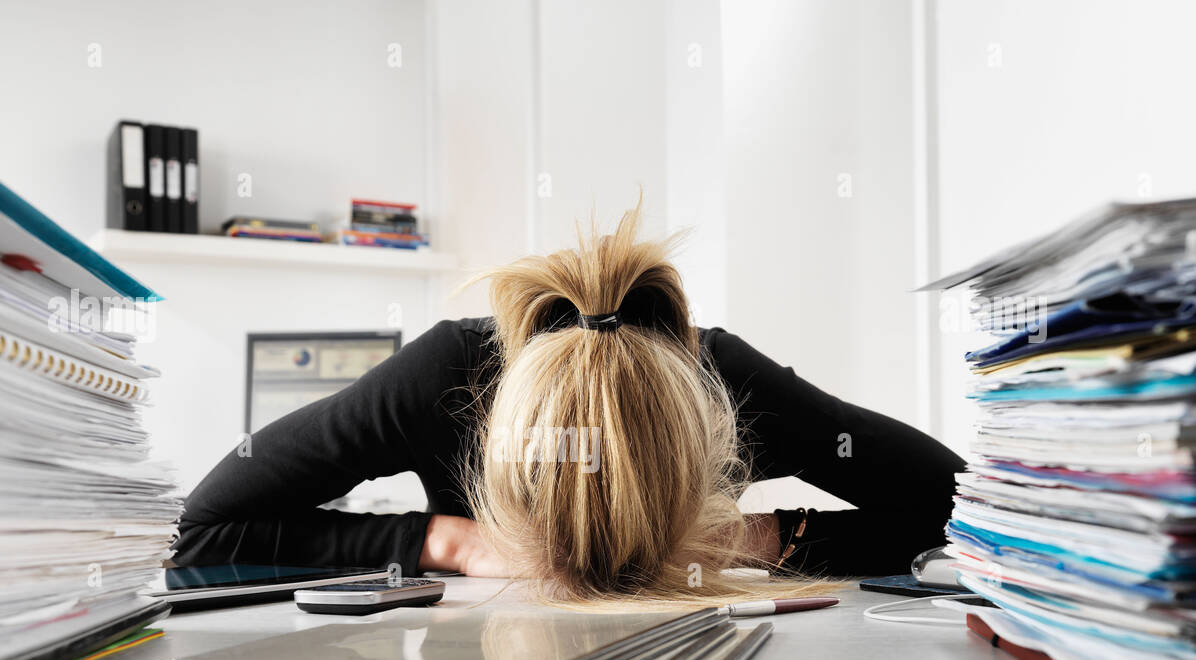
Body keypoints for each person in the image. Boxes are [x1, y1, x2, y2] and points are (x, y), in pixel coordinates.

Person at [174, 205, 963, 602]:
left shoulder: (718, 382)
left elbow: (971, 515)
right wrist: (441, 539)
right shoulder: (450, 377)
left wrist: (756, 534)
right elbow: (202, 530)